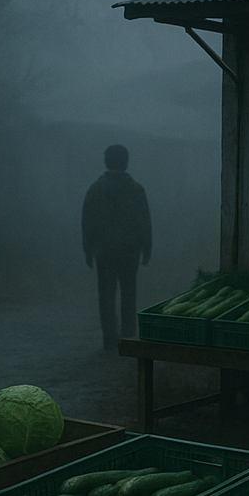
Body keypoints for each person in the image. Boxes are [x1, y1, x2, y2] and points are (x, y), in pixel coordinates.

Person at [81, 144, 152, 350]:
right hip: (130, 252)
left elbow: (88, 222)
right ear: (126, 162)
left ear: (106, 161)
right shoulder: (135, 189)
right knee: (129, 295)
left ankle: (109, 340)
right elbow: (144, 221)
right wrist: (146, 247)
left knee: (106, 296)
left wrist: (88, 250)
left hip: (104, 252)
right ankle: (128, 340)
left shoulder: (96, 189)